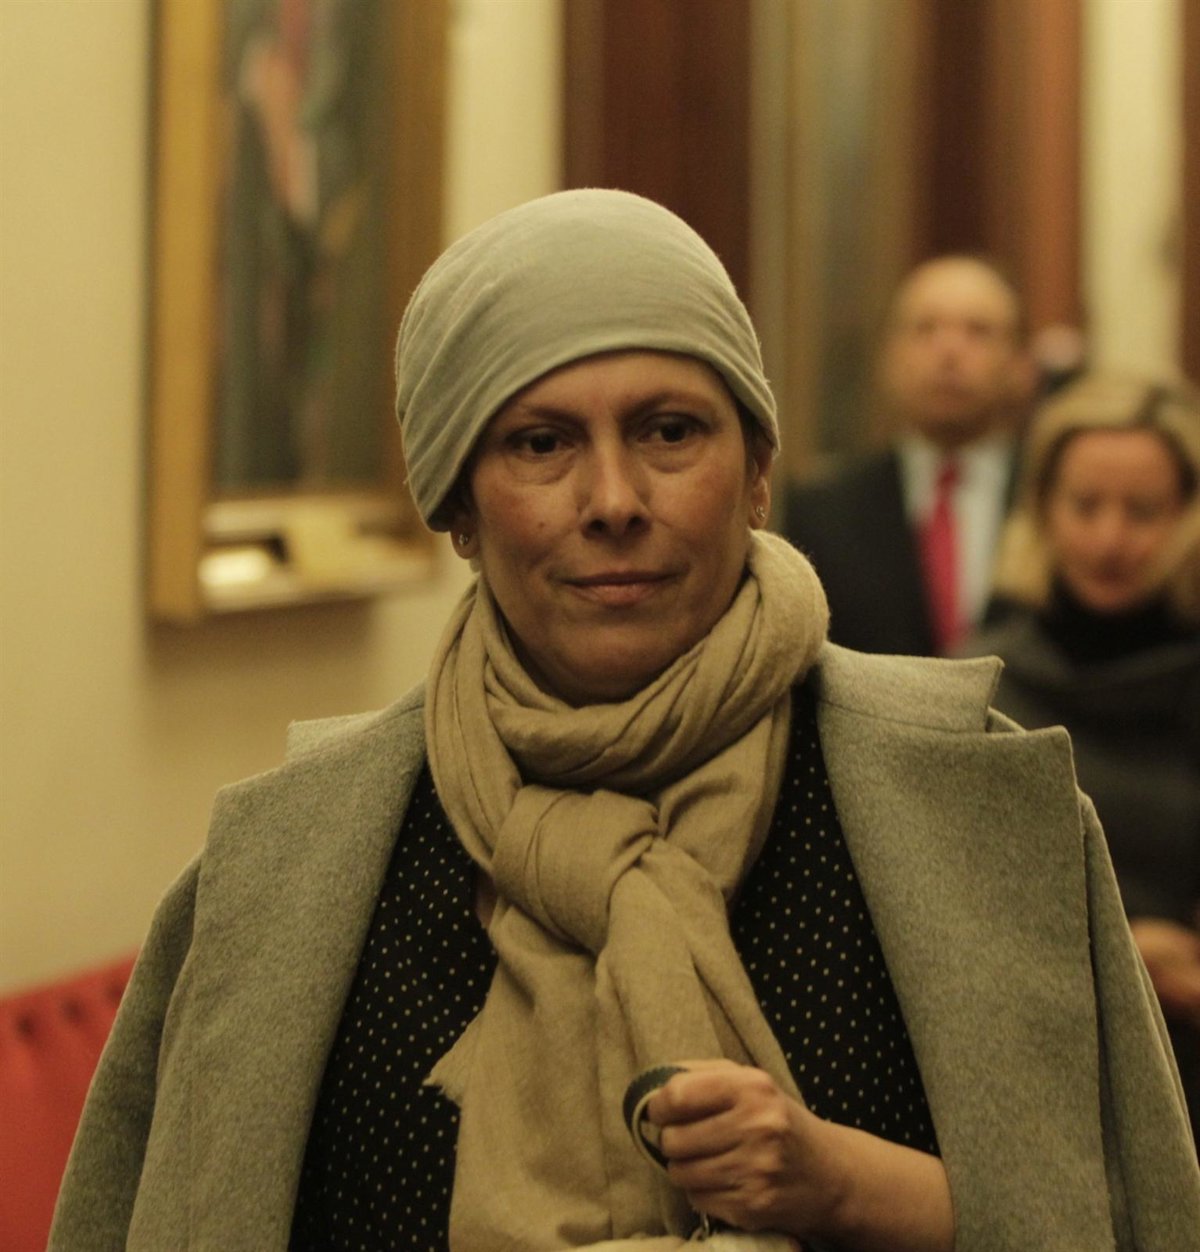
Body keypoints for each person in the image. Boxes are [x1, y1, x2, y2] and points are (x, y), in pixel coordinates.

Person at [50, 192, 1198, 1251]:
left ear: (757, 472)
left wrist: (846, 1188)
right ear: (457, 506)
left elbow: (1120, 1215)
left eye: (669, 431)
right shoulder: (294, 863)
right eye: (539, 444)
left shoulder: (968, 806)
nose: (612, 501)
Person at [961, 373, 1200, 1146]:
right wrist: (1123, 949)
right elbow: (946, 907)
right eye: (1086, 505)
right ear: (1041, 509)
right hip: (1029, 1085)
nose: (1110, 539)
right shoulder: (978, 684)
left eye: (1143, 511)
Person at [784, 255, 1033, 656]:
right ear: (888, 356)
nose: (949, 351)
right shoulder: (823, 509)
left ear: (1021, 364)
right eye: (925, 329)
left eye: (978, 331)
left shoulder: (1051, 499)